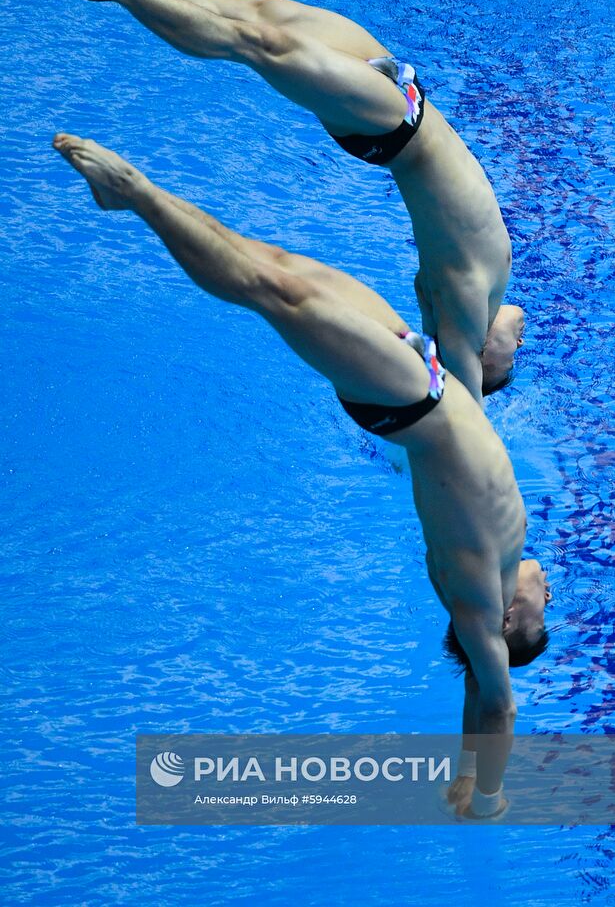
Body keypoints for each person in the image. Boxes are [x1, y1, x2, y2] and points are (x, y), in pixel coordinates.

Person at [50, 132, 551, 819]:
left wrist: (485, 791)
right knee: (273, 264)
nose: (548, 590)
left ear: (512, 621)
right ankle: (132, 197)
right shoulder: (500, 559)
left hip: (410, 402)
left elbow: (495, 700)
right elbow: (510, 325)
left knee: (272, 292)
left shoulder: (476, 597)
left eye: (544, 609)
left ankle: (136, 195)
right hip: (424, 376)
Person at [38, 0, 526, 402]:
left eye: (508, 368)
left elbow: (461, 413)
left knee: (255, 43)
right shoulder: (484, 289)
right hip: (400, 86)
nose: (520, 350)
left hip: (394, 125)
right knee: (243, 6)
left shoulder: (460, 307)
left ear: (481, 363)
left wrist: (466, 387)